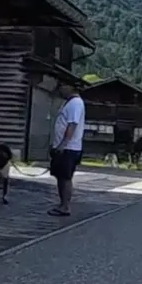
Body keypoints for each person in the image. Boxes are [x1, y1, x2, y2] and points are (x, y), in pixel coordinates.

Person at [47, 81, 85, 217]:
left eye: (61, 86)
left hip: (68, 148)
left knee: (65, 177)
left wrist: (63, 144)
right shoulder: (69, 103)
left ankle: (65, 206)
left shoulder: (75, 103)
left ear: (70, 87)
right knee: (60, 176)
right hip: (63, 146)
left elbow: (72, 125)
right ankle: (62, 204)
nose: (60, 89)